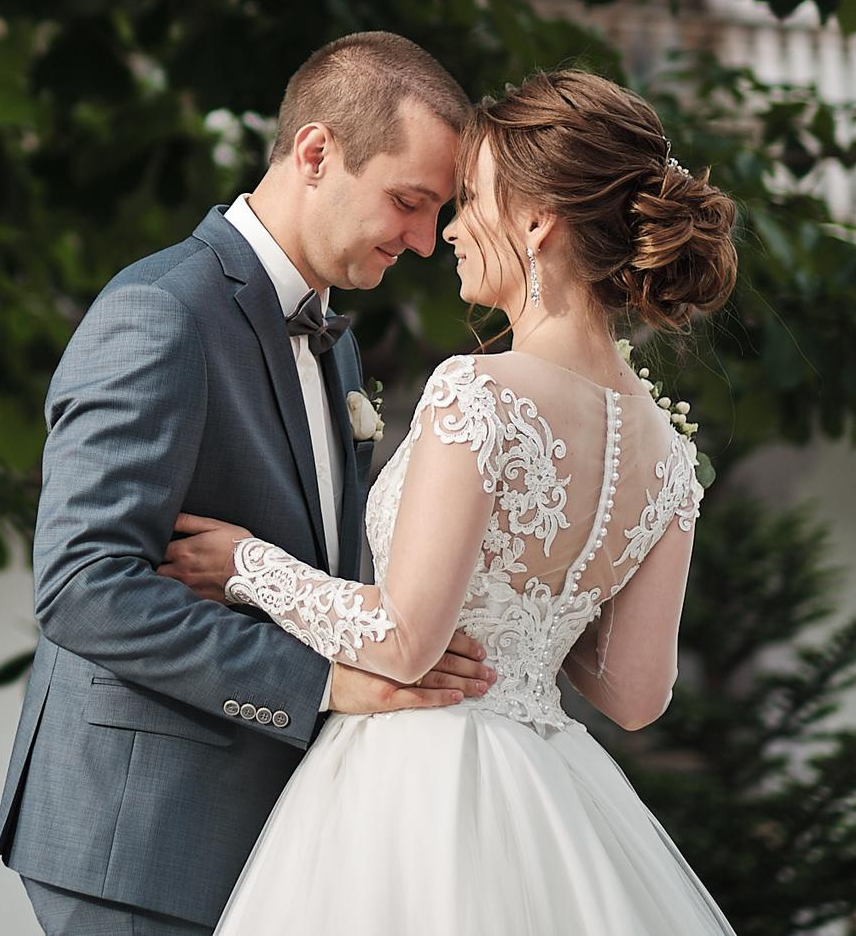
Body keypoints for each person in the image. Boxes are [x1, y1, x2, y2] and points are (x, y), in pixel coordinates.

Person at [161, 67, 741, 936]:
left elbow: (403, 638)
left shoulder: (480, 390)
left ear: (537, 221)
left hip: (421, 780)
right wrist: (531, 621)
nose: (449, 233)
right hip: (553, 792)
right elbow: (634, 693)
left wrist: (246, 564)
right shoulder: (667, 449)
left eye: (470, 201)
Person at [0, 32, 496, 936]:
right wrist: (326, 681)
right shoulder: (161, 312)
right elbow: (81, 587)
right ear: (315, 152)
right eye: (409, 202)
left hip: (274, 839)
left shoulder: (334, 339)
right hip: (141, 841)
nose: (424, 241)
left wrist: (394, 633)